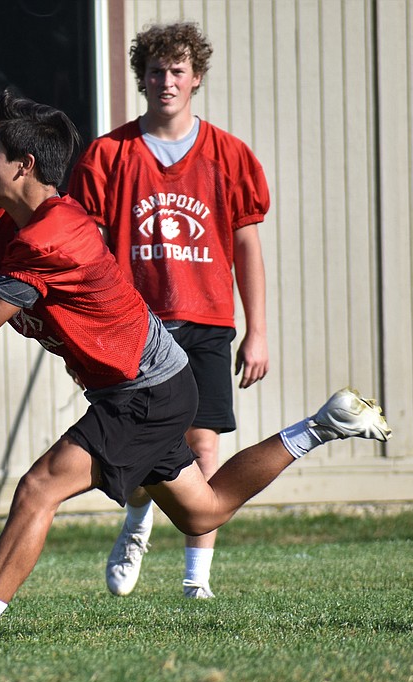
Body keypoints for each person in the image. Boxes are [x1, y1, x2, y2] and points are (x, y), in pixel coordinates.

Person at [0, 91, 389, 648]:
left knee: (38, 488)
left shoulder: (52, 237)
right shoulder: (0, 217)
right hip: (145, 384)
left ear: (24, 165)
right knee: (204, 513)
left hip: (143, 390)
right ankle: (324, 425)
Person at [68, 21, 270, 599]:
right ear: (142, 78)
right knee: (143, 447)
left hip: (206, 318)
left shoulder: (230, 156)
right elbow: (90, 251)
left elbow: (247, 244)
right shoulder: (109, 154)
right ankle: (136, 520)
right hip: (137, 325)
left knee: (204, 444)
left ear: (196, 78)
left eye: (177, 70)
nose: (166, 81)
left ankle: (195, 580)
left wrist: (258, 332)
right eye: (156, 70)